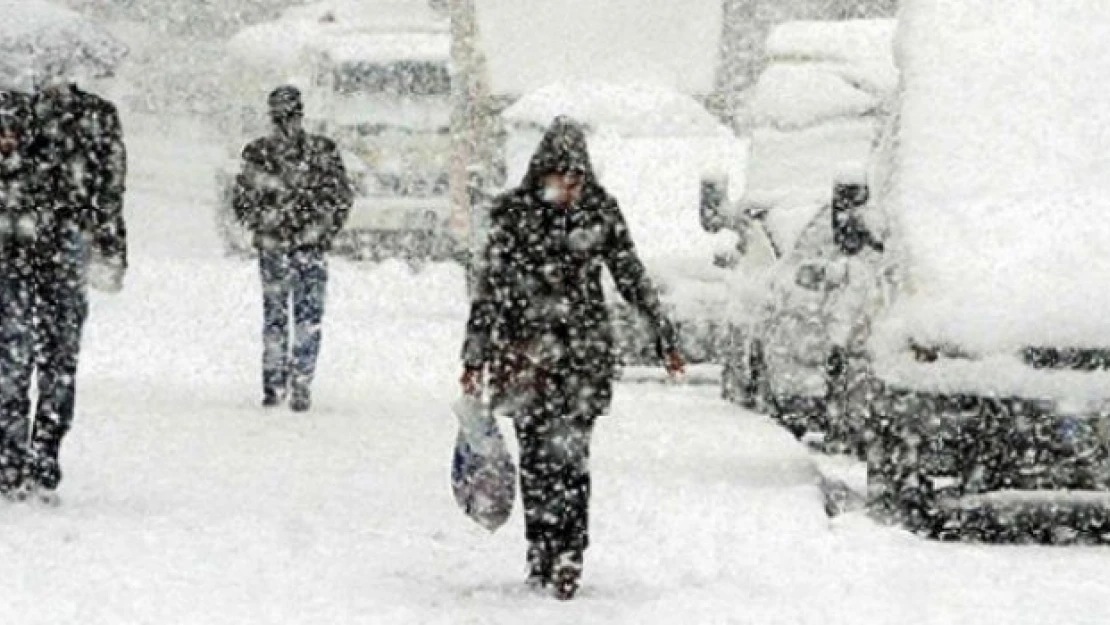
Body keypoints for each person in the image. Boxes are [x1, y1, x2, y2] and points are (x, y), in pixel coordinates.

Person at [459, 116, 685, 600]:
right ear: (542, 173)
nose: (569, 187)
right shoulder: (514, 216)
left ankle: (570, 552)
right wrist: (474, 355)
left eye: (577, 178)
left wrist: (663, 335)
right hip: (525, 358)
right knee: (537, 459)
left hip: (582, 357)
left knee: (573, 459)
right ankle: (540, 546)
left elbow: (630, 275)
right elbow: (490, 291)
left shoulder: (599, 212)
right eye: (561, 177)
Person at [0, 76, 128, 501]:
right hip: (26, 246)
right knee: (27, 357)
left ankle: (35, 454)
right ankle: (21, 456)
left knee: (45, 357)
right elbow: (108, 189)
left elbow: (110, 188)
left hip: (42, 246)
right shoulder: (21, 112)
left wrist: (109, 244)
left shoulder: (93, 115)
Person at [233, 86, 353, 412]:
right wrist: (320, 228)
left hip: (284, 245)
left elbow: (242, 202)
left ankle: (281, 382)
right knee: (304, 316)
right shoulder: (320, 152)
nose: (285, 125)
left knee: (280, 316)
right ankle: (297, 380)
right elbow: (340, 198)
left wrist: (267, 222)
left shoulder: (260, 154)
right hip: (303, 245)